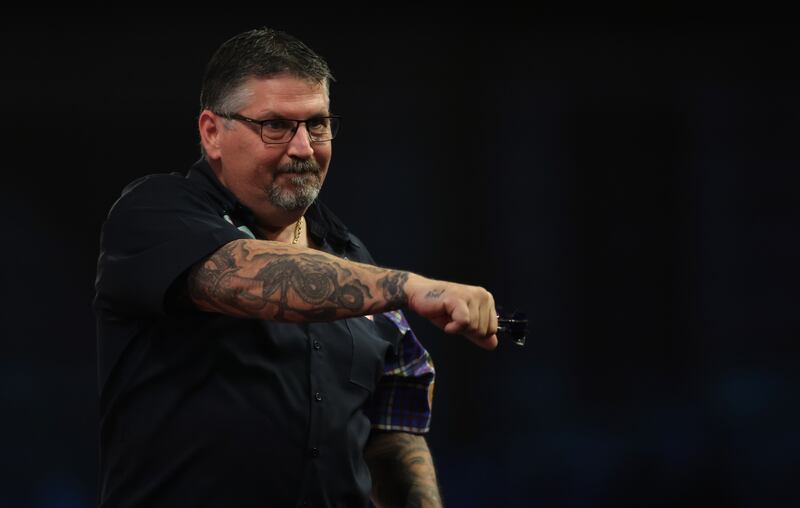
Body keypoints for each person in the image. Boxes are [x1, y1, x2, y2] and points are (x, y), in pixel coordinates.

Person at [94, 27, 498, 508]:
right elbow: (248, 273)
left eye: (318, 124)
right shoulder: (154, 214)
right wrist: (411, 287)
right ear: (212, 132)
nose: (304, 148)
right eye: (276, 126)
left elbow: (389, 430)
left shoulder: (352, 259)